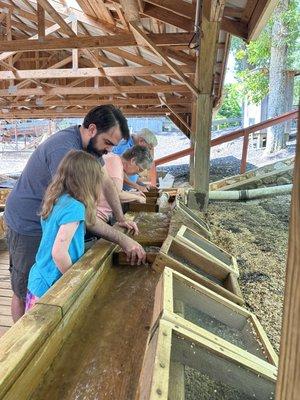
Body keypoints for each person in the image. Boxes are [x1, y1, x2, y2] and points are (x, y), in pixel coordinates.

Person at [4, 105, 146, 322]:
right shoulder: (65, 151)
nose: (109, 150)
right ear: (92, 129)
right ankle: (17, 344)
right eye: (108, 143)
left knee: (41, 276)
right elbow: (86, 219)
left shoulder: (91, 151)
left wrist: (120, 218)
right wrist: (123, 240)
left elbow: (106, 181)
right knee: (23, 289)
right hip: (26, 222)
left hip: (48, 217)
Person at [26, 150, 103, 311]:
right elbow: (58, 253)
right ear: (88, 181)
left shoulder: (57, 200)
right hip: (51, 284)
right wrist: (74, 279)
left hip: (40, 275)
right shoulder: (75, 207)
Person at [97, 145, 153, 225]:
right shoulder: (116, 163)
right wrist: (137, 198)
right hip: (96, 217)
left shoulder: (113, 157)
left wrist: (131, 194)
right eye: (139, 169)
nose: (138, 173)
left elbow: (112, 189)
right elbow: (116, 195)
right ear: (133, 160)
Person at [112, 128, 158, 192]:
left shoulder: (135, 147)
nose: (148, 150)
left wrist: (142, 185)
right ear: (141, 140)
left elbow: (132, 174)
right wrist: (137, 187)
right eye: (149, 147)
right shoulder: (123, 147)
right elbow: (118, 170)